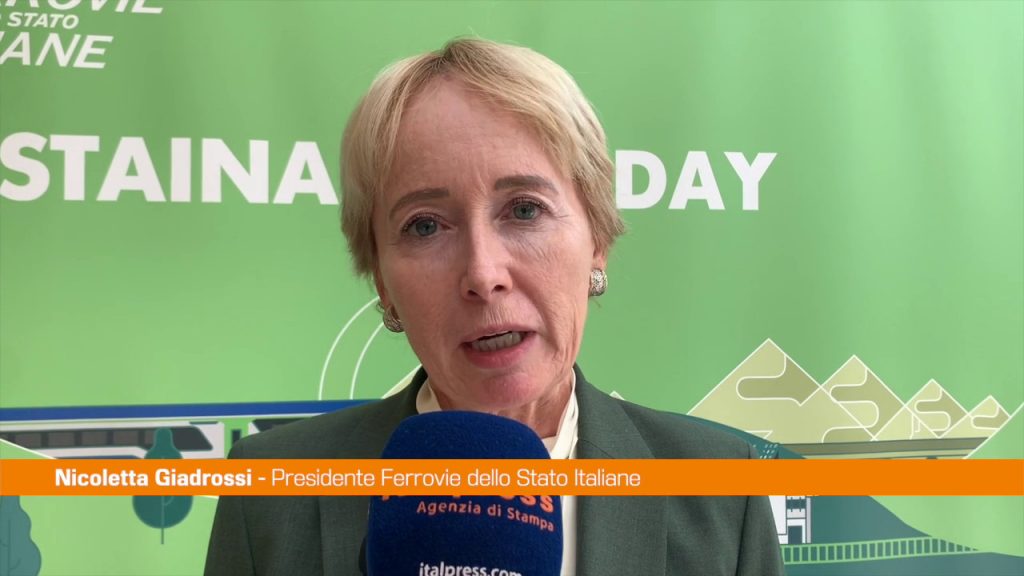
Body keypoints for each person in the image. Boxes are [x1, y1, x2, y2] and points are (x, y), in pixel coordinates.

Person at [205, 37, 784, 576]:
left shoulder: (722, 491)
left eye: (525, 210)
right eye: (425, 225)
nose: (483, 275)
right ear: (380, 277)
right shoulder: (269, 493)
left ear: (597, 239)